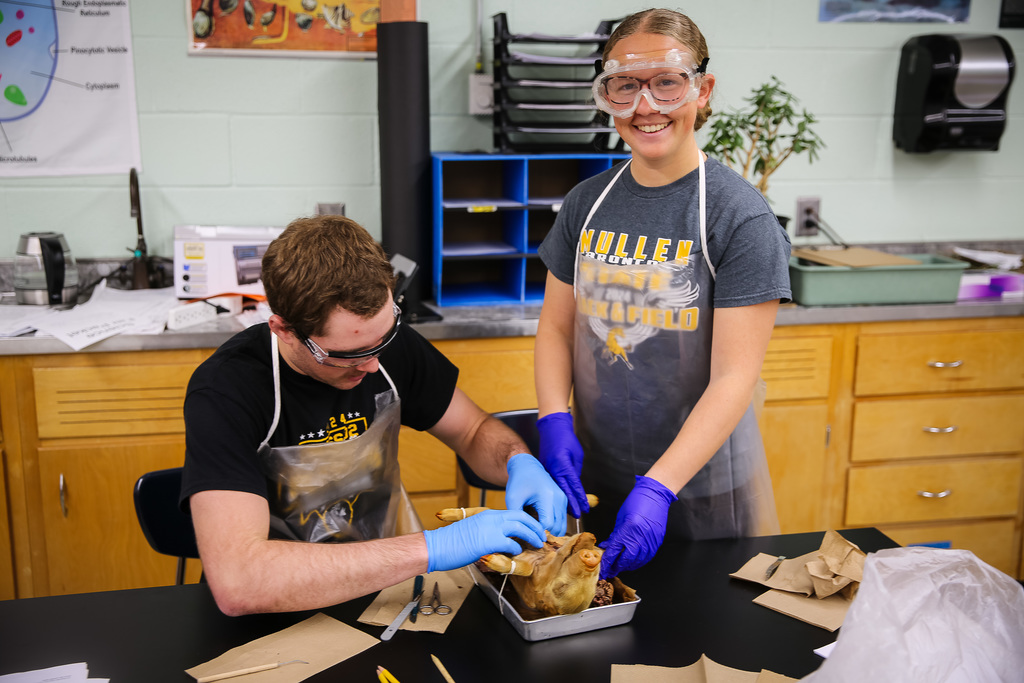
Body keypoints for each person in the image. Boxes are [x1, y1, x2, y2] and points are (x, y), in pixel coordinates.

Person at [181, 215, 567, 616]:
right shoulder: (227, 391)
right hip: (274, 608)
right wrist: (433, 547)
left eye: (383, 340)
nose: (371, 365)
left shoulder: (379, 344)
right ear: (283, 329)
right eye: (347, 356)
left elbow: (471, 430)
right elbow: (241, 582)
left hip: (387, 591)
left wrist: (518, 461)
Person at [534, 9, 791, 581]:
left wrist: (659, 487)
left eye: (666, 82)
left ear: (703, 90)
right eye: (624, 85)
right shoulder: (585, 202)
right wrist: (554, 420)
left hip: (699, 490)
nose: (644, 107)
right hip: (597, 478)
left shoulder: (737, 215)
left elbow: (734, 377)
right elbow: (555, 327)